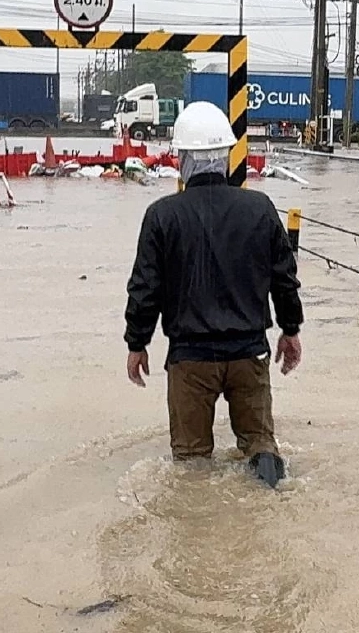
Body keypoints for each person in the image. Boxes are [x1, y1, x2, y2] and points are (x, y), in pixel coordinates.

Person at [123, 101, 304, 488]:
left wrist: (137, 343)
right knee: (260, 444)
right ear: (226, 156)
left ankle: (197, 526)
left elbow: (145, 288)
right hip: (249, 354)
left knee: (190, 462)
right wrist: (290, 330)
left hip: (190, 360)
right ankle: (273, 500)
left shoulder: (162, 216)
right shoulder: (260, 208)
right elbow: (284, 278)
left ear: (182, 159)